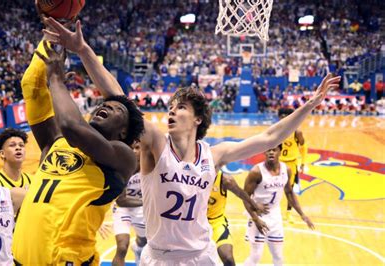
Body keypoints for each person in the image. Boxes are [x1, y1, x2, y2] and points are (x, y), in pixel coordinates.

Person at [42, 17, 340, 265]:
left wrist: (310, 104)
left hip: (201, 255)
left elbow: (270, 136)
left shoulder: (214, 154)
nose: (171, 111)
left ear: (198, 119)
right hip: (159, 257)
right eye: (170, 107)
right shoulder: (157, 144)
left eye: (180, 108)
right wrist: (83, 51)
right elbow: (118, 96)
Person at [11, 28, 145, 266]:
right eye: (105, 104)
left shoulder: (122, 157)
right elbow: (31, 87)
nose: (107, 107)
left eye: (117, 109)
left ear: (123, 131)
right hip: (21, 258)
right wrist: (51, 36)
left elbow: (72, 126)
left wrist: (55, 79)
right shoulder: (56, 142)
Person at [243, 145, 314, 266]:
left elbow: (289, 193)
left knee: (278, 256)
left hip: (275, 215)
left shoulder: (286, 169)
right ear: (264, 152)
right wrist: (255, 217)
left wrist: (302, 214)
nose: (271, 152)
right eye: (268, 150)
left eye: (274, 149)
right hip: (257, 215)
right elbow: (245, 196)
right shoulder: (256, 172)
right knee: (255, 256)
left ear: (280, 151)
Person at [207, 171, 267, 266]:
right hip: (194, 223)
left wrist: (254, 206)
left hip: (216, 222)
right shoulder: (191, 178)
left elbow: (240, 193)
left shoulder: (225, 180)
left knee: (228, 259)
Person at [112, 141, 147, 266]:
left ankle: (138, 248)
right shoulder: (122, 169)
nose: (134, 151)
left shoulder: (150, 167)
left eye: (137, 148)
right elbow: (121, 201)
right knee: (122, 247)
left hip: (141, 209)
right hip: (123, 209)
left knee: (144, 241)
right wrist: (147, 202)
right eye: (131, 148)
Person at [277, 108, 307, 223]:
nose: (284, 117)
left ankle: (288, 213)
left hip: (291, 163)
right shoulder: (276, 130)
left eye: (286, 115)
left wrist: (303, 163)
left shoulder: (297, 132)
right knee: (272, 186)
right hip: (277, 162)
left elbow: (303, 148)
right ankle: (273, 210)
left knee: (289, 189)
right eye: (282, 115)